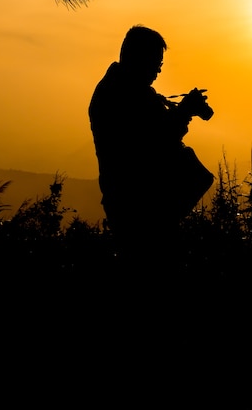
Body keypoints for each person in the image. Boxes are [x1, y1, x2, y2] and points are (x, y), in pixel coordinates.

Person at [89, 24, 214, 277]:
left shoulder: (128, 90)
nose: (157, 70)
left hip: (141, 203)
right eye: (155, 62)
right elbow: (155, 141)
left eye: (160, 64)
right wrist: (185, 112)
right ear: (136, 58)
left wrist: (180, 111)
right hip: (138, 206)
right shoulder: (121, 94)